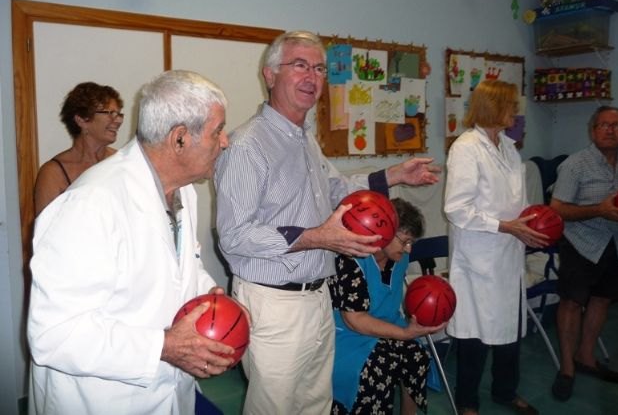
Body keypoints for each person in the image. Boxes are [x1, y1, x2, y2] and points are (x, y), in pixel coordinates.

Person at [214, 30, 440, 415]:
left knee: (315, 405)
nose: (312, 77)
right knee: (275, 408)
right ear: (270, 75)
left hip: (319, 296)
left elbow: (338, 188)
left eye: (319, 68)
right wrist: (317, 237)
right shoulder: (246, 145)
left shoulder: (304, 139)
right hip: (274, 302)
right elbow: (234, 236)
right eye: (299, 65)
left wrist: (395, 175)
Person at [28, 70, 237, 414]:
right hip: (101, 400)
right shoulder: (90, 204)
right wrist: (164, 346)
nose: (225, 141)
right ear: (180, 139)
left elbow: (185, 266)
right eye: (218, 131)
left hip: (168, 390)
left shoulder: (183, 189)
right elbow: (53, 334)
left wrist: (212, 298)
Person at [444, 80, 546, 415]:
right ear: (493, 107)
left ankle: (505, 391)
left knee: (510, 332)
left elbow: (519, 201)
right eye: (510, 104)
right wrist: (506, 226)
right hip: (478, 257)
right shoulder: (466, 147)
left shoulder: (507, 146)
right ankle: (467, 402)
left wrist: (530, 224)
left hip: (508, 255)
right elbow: (457, 209)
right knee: (474, 335)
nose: (515, 111)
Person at [549, 106, 618, 401]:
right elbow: (557, 210)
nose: (611, 130)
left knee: (601, 300)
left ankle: (587, 357)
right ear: (593, 130)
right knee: (572, 304)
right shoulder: (575, 165)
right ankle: (567, 367)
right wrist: (601, 210)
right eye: (604, 125)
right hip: (582, 244)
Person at [329, 197, 446, 415]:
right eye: (405, 241)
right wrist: (403, 333)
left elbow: (395, 309)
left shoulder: (399, 259)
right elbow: (354, 320)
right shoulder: (351, 259)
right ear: (386, 232)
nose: (409, 249)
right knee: (379, 369)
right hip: (346, 335)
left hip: (387, 326)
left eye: (413, 242)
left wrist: (418, 324)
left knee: (417, 356)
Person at [34, 81, 124, 216]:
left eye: (118, 114)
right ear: (81, 120)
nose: (118, 120)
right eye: (109, 113)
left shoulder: (121, 162)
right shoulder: (53, 174)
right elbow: (45, 231)